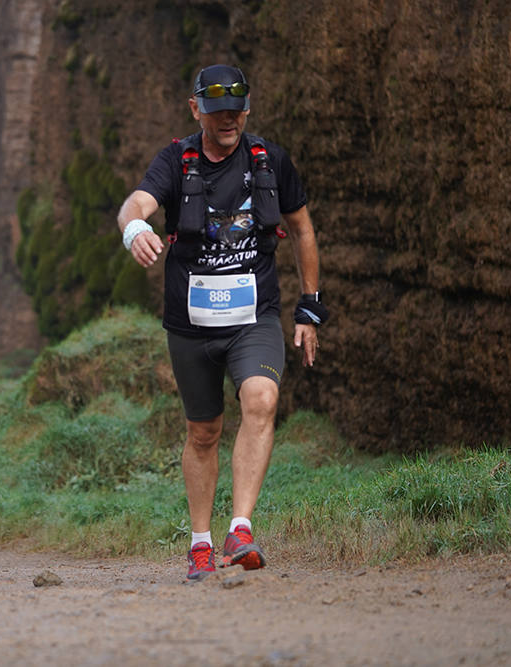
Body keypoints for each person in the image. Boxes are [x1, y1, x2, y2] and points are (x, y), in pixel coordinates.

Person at [116, 65, 328, 582]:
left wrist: (310, 307)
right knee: (203, 430)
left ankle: (240, 528)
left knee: (261, 399)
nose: (227, 121)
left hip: (253, 318)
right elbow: (135, 205)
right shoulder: (175, 159)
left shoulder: (271, 160)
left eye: (235, 112)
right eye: (216, 113)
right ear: (196, 111)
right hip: (190, 326)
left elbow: (301, 230)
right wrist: (135, 229)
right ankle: (201, 543)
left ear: (247, 110)